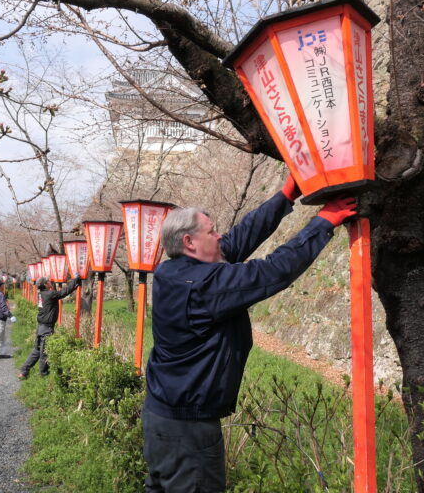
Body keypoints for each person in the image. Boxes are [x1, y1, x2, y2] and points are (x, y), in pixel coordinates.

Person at [142, 175, 357, 492]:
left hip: (161, 415)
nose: (219, 236)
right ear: (189, 242)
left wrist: (285, 196)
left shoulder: (172, 272)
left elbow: (238, 239)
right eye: (211, 231)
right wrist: (324, 222)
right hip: (188, 430)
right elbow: (271, 271)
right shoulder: (202, 286)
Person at [18, 273, 80, 379]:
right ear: (45, 284)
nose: (50, 282)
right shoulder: (50, 294)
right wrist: (75, 280)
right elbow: (63, 292)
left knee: (37, 350)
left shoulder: (41, 294)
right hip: (47, 327)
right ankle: (44, 374)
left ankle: (24, 371)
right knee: (44, 352)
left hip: (40, 326)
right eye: (48, 281)